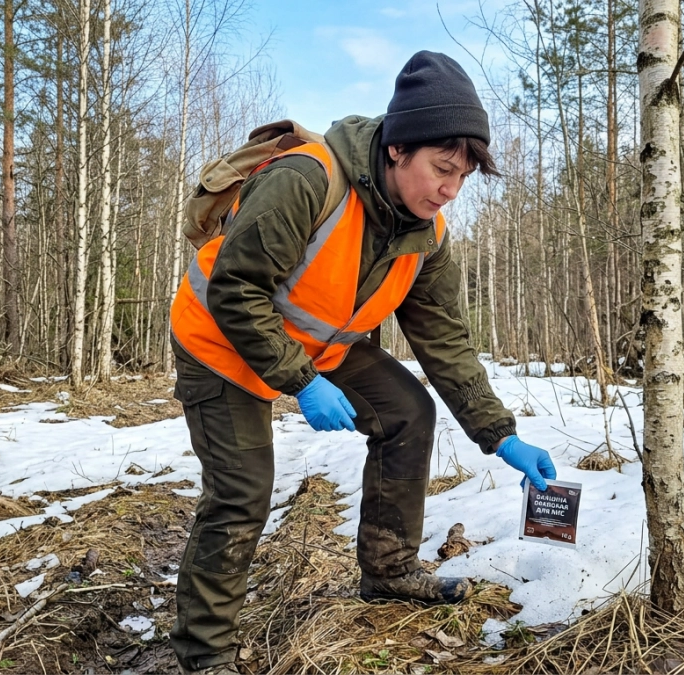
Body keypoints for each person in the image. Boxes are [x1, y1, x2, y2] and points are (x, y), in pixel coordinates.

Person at [167, 50, 558, 674]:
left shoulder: (428, 233)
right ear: (399, 148)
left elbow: (444, 340)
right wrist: (302, 381)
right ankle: (205, 651)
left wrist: (499, 433)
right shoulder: (307, 179)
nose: (450, 188)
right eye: (441, 168)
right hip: (219, 341)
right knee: (242, 492)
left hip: (318, 350)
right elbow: (236, 290)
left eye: (462, 176)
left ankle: (390, 571)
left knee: (407, 412)